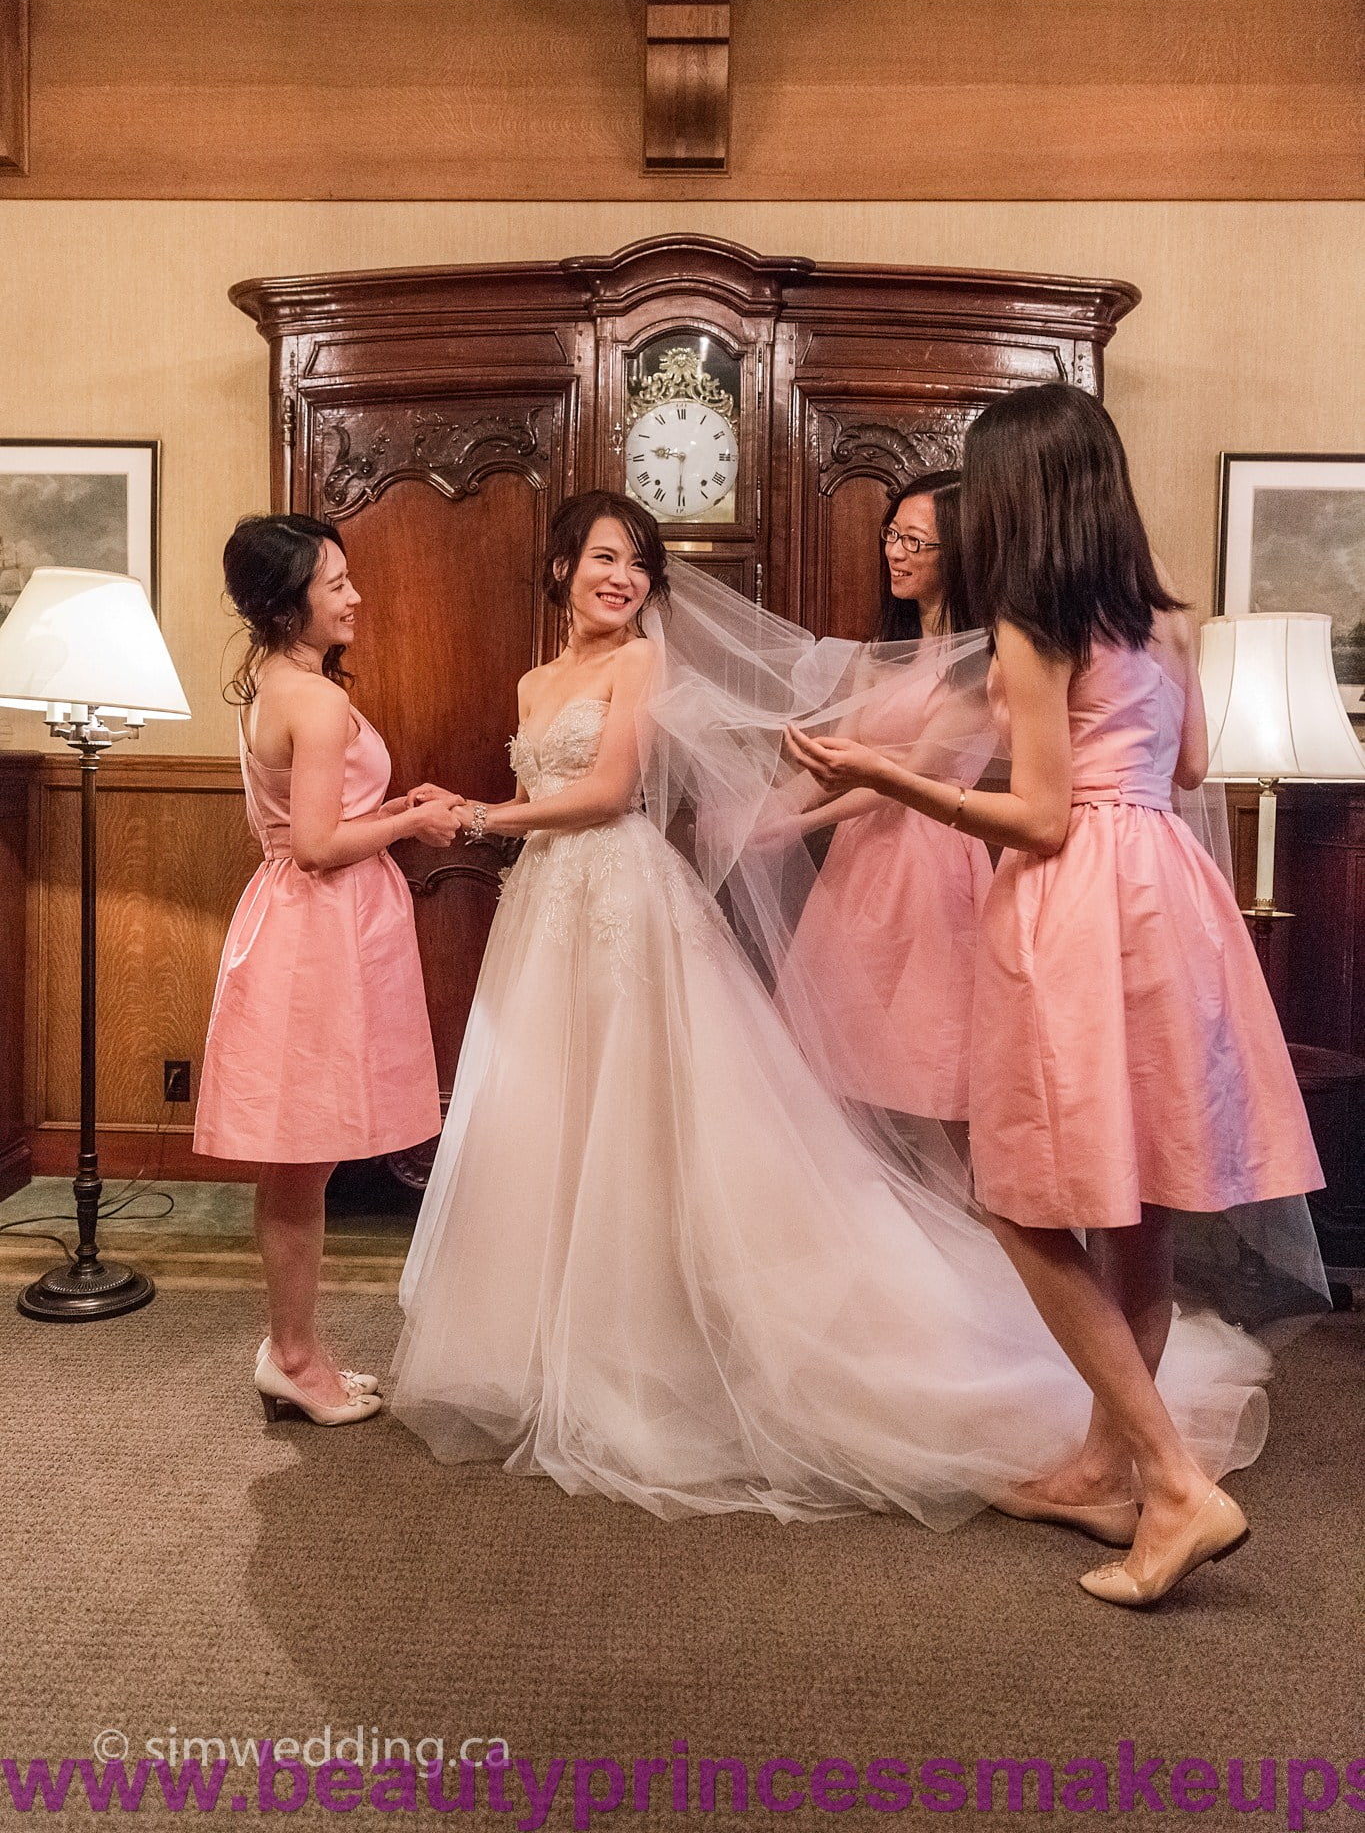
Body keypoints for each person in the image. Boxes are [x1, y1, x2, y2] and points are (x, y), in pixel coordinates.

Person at [390, 489, 1270, 1533]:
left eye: (637, 562)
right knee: (551, 1110)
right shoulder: (536, 681)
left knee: (939, 1140)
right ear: (559, 569)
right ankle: (564, 1327)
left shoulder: (660, 663)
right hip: (551, 899)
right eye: (604, 559)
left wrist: (476, 815)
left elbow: (616, 791)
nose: (623, 578)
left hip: (779, 881)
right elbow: (1184, 766)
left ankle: (1120, 1447)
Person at [786, 384, 1325, 1605]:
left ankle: (1173, 1482)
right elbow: (1189, 765)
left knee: (1019, 1198)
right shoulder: (1166, 615)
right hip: (1169, 892)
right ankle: (1101, 1465)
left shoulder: (1034, 626)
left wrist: (883, 769)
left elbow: (1035, 814)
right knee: (1137, 1199)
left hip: (1075, 899)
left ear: (1019, 494)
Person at [194, 514, 459, 1427]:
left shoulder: (277, 683)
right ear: (287, 602)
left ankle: (295, 1348)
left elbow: (309, 824)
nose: (355, 596)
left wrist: (388, 806)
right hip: (319, 928)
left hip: (301, 919)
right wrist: (410, 823)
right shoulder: (315, 699)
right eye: (335, 583)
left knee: (299, 1160)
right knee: (302, 1160)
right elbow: (314, 845)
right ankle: (296, 1358)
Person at [769, 473, 992, 1150]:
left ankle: (949, 1206)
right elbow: (842, 758)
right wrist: (771, 807)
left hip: (931, 858)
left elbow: (911, 776)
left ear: (961, 550)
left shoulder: (981, 663)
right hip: (860, 860)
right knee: (841, 1062)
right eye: (891, 535)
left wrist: (798, 825)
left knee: (923, 1065)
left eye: (914, 541)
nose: (895, 552)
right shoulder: (881, 654)